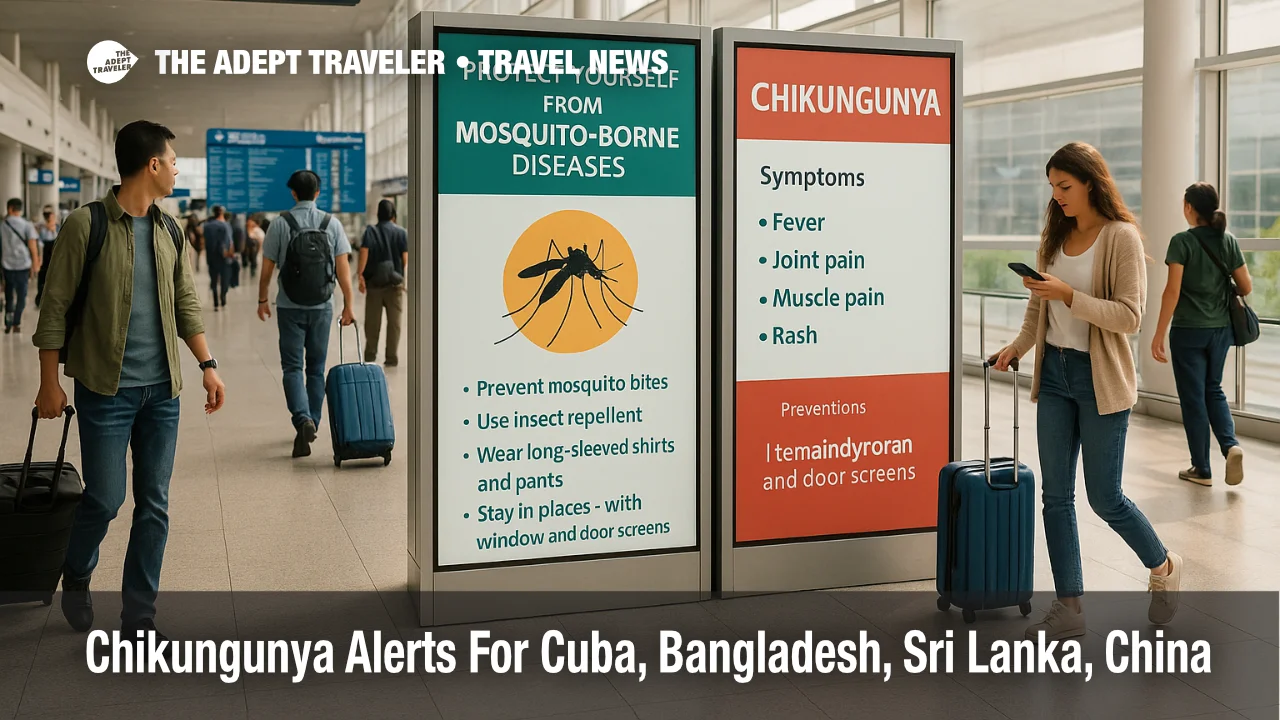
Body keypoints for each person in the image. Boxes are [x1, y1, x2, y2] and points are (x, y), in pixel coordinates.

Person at [32, 119, 226, 640]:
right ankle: (77, 571)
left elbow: (185, 302)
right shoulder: (85, 225)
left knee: (155, 505)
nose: (178, 169)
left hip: (163, 391)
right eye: (174, 160)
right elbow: (54, 306)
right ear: (153, 164)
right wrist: (49, 381)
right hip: (105, 387)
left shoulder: (169, 229)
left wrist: (207, 366)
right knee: (105, 499)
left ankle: (140, 617)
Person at [993, 142, 1181, 640]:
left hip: (1099, 379)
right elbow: (1039, 309)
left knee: (1105, 497)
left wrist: (1070, 295)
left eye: (1065, 187)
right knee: (1055, 497)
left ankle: (1163, 566)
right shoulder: (1053, 235)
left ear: (1092, 183)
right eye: (1052, 188)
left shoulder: (1120, 238)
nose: (1056, 198)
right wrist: (1017, 347)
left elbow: (1130, 317)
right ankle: (1070, 606)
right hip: (1053, 376)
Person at [1152, 182, 1251, 487]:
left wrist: (1158, 333)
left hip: (1188, 332)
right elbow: (1245, 287)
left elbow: (1172, 291)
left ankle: (1202, 469)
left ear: (1189, 208)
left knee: (1193, 399)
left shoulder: (1181, 242)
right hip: (1220, 330)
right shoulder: (1228, 240)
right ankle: (1230, 445)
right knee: (1214, 389)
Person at [257, 169, 355, 458]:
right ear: (318, 193)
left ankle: (302, 419)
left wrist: (263, 298)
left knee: (291, 367)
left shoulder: (279, 224)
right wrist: (349, 304)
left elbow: (267, 269)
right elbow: (343, 271)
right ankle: (313, 418)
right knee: (315, 368)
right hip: (322, 307)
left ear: (293, 193)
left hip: (289, 306)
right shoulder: (331, 224)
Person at [358, 199, 408, 366]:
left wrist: (360, 276)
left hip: (374, 286)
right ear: (393, 216)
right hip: (395, 286)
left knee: (372, 323)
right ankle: (391, 357)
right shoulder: (401, 232)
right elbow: (405, 259)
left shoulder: (370, 231)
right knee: (394, 324)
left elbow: (364, 253)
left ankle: (370, 357)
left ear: (378, 215)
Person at [2, 197, 40, 334]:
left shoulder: (2, 225)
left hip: (6, 266)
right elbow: (32, 246)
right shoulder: (27, 225)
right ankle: (16, 323)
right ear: (19, 209)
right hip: (23, 265)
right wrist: (35, 264)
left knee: (9, 296)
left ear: (9, 208)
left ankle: (8, 322)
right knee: (21, 295)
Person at [201, 206, 234, 311]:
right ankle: (223, 300)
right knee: (225, 279)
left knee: (214, 280)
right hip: (223, 258)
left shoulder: (206, 226)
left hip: (211, 257)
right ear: (221, 213)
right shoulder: (225, 226)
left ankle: (215, 303)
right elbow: (229, 242)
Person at [34, 209, 59, 307]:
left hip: (54, 255)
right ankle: (40, 298)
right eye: (52, 216)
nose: (54, 218)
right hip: (45, 255)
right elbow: (39, 243)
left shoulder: (57, 227)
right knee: (43, 277)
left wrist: (53, 230)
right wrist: (39, 258)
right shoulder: (42, 229)